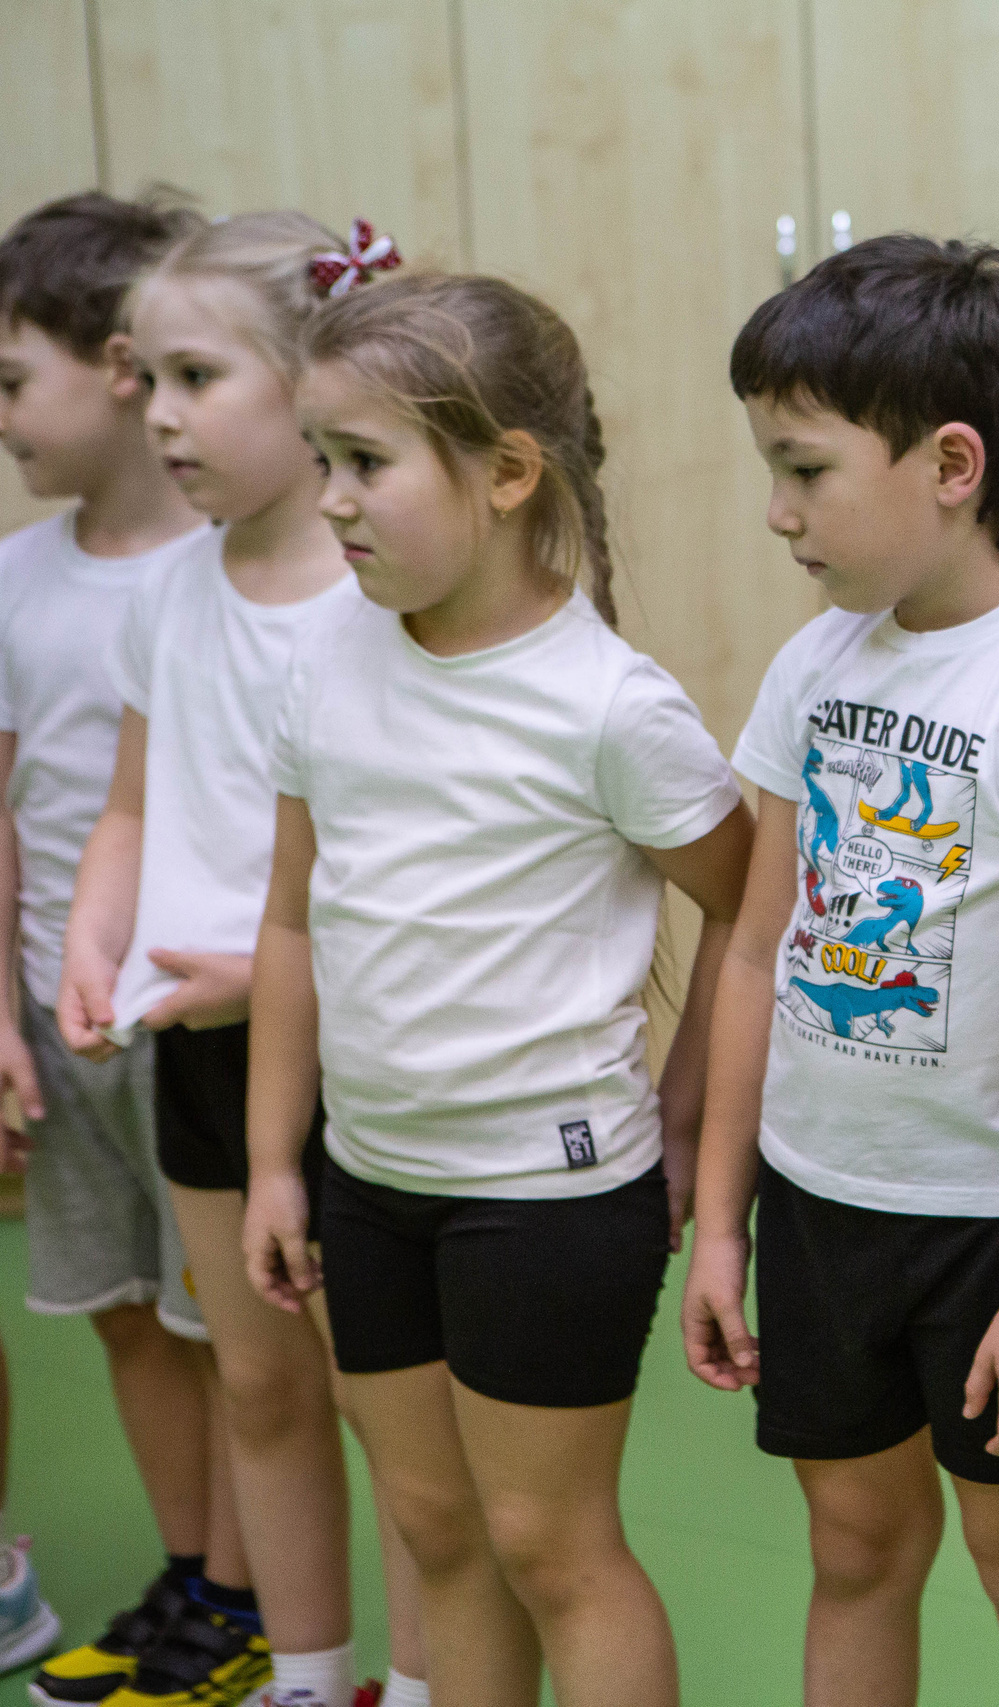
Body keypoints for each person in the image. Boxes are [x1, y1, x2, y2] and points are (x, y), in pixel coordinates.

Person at [235, 267, 746, 1707]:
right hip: (369, 1181)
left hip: (547, 1195)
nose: (331, 499)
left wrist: (686, 1124)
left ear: (509, 473)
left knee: (550, 1544)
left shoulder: (612, 707)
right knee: (437, 1530)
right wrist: (274, 1160)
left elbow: (747, 909)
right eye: (322, 458)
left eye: (366, 461)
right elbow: (290, 921)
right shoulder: (327, 658)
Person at [682, 234, 999, 1707]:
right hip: (820, 1203)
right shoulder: (814, 665)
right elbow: (754, 947)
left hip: (994, 1226)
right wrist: (720, 1222)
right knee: (853, 1547)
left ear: (952, 463)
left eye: (806, 469)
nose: (779, 512)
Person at [54, 210, 424, 1707]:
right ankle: (307, 1674)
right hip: (195, 1052)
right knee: (259, 1384)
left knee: (392, 1414)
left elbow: (398, 866)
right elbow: (131, 808)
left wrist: (260, 982)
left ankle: (424, 1680)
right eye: (148, 378)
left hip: (350, 1067)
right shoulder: (171, 591)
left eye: (198, 377)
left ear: (310, 380)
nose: (159, 413)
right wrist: (93, 942)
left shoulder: (377, 605)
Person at [0, 187, 247, 1707]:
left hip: (194, 1020)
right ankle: (186, 1574)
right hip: (60, 1013)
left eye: (11, 379)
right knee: (124, 1314)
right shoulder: (16, 578)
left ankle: (245, 1596)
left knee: (223, 1327)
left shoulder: (225, 572)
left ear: (115, 369)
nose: (0, 414)